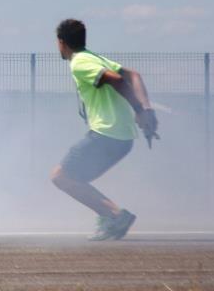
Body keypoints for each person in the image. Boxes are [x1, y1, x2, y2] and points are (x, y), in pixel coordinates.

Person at [49, 18, 159, 240]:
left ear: (61, 43)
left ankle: (115, 216)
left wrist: (138, 109)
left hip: (107, 134)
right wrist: (147, 110)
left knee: (61, 177)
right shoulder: (94, 57)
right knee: (75, 178)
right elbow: (134, 75)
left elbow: (117, 80)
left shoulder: (80, 62)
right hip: (123, 138)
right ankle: (111, 217)